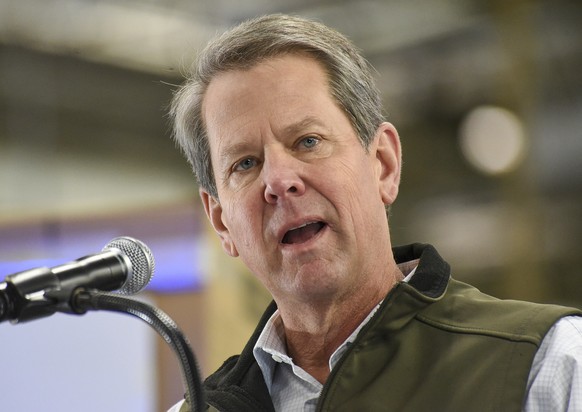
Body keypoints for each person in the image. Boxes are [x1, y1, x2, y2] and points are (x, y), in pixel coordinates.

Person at [168, 13, 582, 412]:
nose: (278, 180)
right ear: (221, 222)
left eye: (307, 141)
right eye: (245, 164)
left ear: (383, 164)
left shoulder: (548, 365)